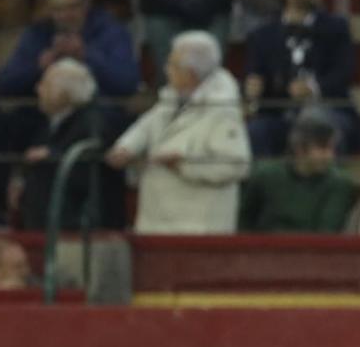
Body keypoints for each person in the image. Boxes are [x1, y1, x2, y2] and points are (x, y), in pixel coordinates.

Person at [104, 31, 252, 234]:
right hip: (157, 221)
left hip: (198, 227)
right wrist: (125, 147)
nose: (166, 70)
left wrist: (183, 163)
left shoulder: (223, 109)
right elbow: (145, 127)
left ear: (190, 73)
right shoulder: (170, 99)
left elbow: (237, 165)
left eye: (172, 65)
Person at [243, 0, 360, 156]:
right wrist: (252, 85)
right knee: (256, 131)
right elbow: (253, 73)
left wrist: (312, 88)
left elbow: (344, 72)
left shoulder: (336, 27)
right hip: (279, 114)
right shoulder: (262, 34)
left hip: (327, 110)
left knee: (315, 121)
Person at [7, 57, 126, 231]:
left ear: (64, 93)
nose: (37, 89)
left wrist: (51, 158)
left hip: (79, 231)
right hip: (46, 228)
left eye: (44, 84)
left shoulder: (93, 124)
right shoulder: (49, 124)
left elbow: (90, 171)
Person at [0, 0, 139, 98]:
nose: (64, 15)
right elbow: (3, 84)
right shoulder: (38, 34)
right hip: (42, 115)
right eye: (57, 9)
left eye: (71, 7)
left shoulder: (110, 30)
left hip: (95, 112)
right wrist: (38, 67)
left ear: (86, 3)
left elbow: (127, 82)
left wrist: (85, 56)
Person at [240, 114, 359, 233]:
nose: (330, 156)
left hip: (312, 250)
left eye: (332, 148)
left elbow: (326, 233)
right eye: (323, 148)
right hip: (264, 249)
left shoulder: (340, 184)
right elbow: (244, 220)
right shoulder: (265, 175)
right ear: (300, 149)